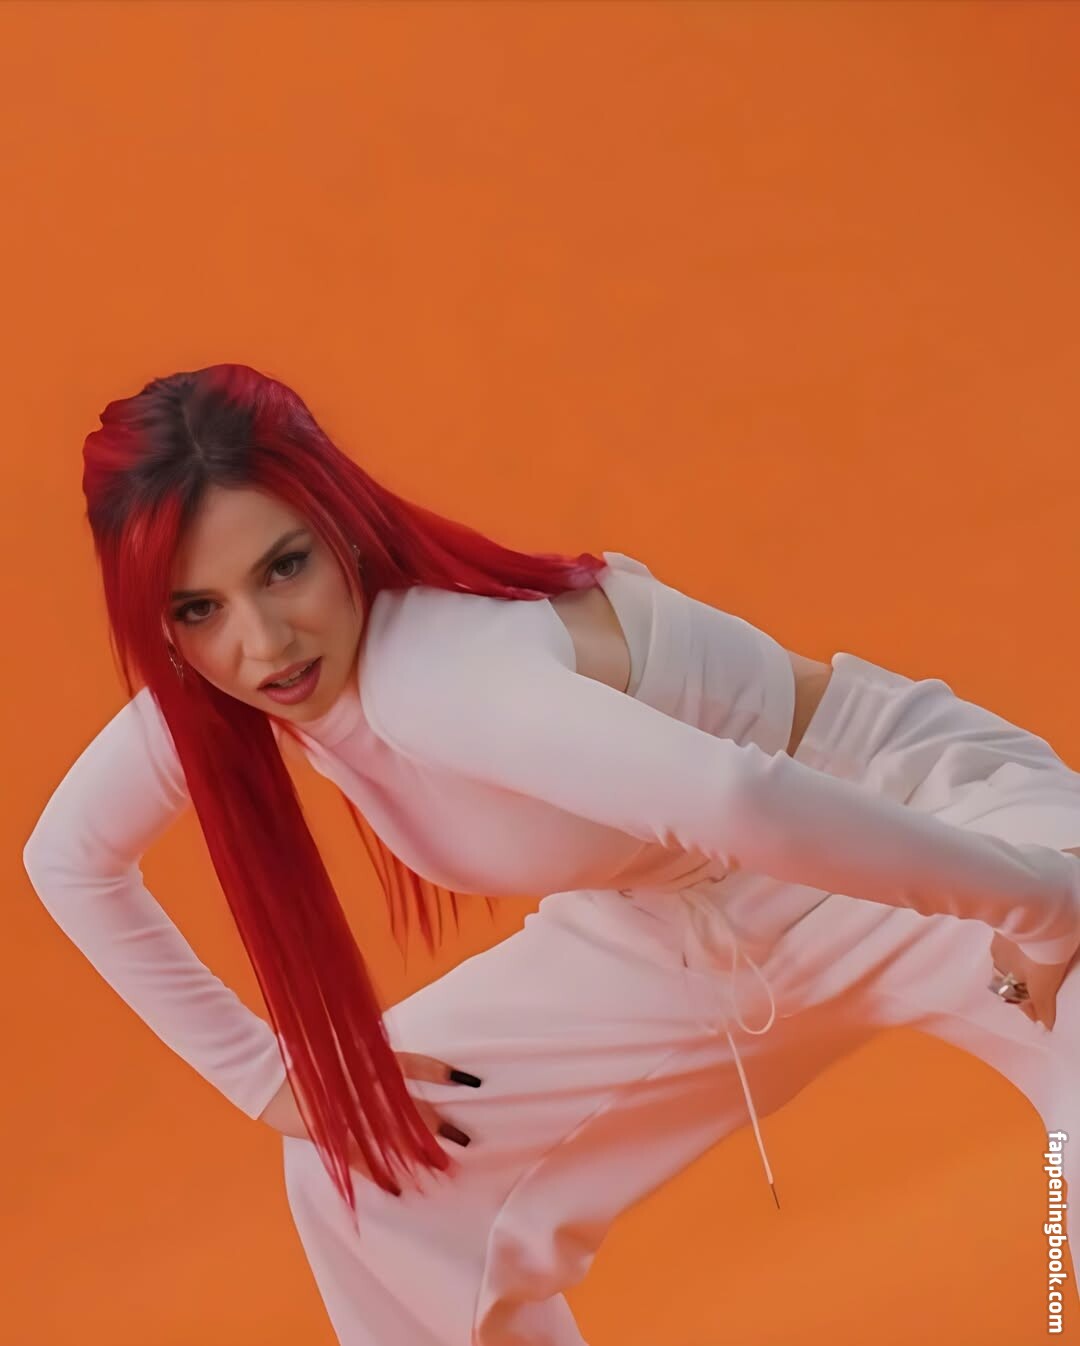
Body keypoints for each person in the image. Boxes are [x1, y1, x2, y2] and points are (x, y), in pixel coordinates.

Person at [22, 361, 1080, 1345]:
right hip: (670, 927)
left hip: (914, 815)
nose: (262, 643)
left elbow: (736, 794)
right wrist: (265, 1076)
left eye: (284, 566)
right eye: (198, 608)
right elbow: (69, 859)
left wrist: (1044, 904)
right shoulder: (220, 693)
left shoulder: (440, 671)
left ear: (341, 521)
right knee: (375, 1179)